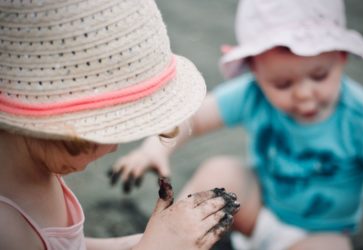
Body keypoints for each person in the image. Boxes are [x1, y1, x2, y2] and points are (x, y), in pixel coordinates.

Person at [111, 0, 363, 249]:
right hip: (256, 210)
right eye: (282, 84)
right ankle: (178, 236)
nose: (303, 93)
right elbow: (194, 117)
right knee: (221, 171)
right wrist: (155, 149)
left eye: (319, 76)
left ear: (341, 57)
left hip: (319, 232)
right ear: (255, 72)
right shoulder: (253, 94)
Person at [0, 0, 240, 249]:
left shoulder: (37, 165)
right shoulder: (6, 229)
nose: (115, 147)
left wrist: (135, 244)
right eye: (109, 131)